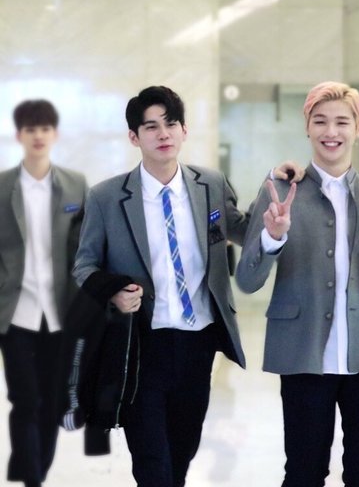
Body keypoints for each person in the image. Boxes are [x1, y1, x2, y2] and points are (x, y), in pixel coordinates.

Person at [72, 85, 302, 487]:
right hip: (142, 344)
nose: (163, 134)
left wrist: (274, 184)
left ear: (184, 130)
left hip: (198, 343)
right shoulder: (107, 197)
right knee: (151, 461)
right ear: (134, 137)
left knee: (181, 453)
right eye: (151, 127)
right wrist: (113, 292)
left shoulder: (209, 184)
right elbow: (83, 265)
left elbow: (243, 229)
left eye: (171, 123)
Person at [235, 81, 359, 487]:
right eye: (320, 121)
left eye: (342, 122)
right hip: (303, 354)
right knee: (303, 473)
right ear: (307, 128)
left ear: (358, 128)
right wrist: (272, 237)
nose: (331, 131)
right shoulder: (279, 193)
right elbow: (247, 279)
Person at [0, 99, 88, 487]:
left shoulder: (75, 185)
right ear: (19, 135)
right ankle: (32, 480)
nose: (38, 136)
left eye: (45, 128)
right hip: (15, 312)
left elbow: (84, 248)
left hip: (60, 313)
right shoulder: (2, 187)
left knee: (52, 402)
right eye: (30, 129)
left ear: (55, 134)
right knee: (25, 400)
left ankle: (34, 473)